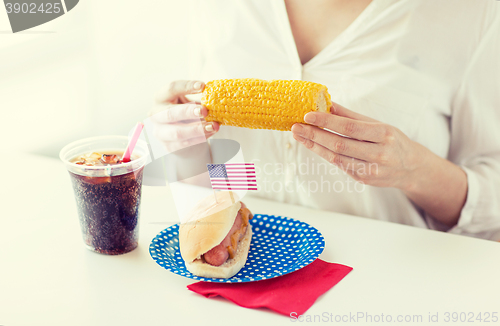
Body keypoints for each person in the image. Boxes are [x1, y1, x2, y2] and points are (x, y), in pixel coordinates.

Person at [150, 0, 500, 240]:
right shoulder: (222, 8)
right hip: (243, 261)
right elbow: (206, 166)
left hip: (386, 277)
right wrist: (181, 145)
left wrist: (417, 170)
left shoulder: (472, 15)